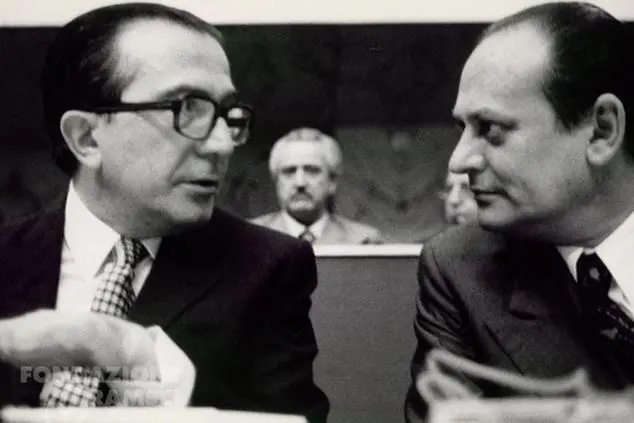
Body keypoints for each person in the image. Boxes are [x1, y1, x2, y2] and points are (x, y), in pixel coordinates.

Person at [0, 3, 329, 421]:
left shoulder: (268, 268)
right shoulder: (7, 257)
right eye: (187, 108)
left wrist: (151, 371)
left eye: (227, 114)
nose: (222, 145)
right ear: (86, 139)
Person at [406, 2, 634, 421]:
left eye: (491, 129)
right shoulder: (463, 271)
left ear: (602, 130)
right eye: (462, 129)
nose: (458, 161)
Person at [250, 127, 382, 244]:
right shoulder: (250, 237)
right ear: (276, 181)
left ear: (332, 181)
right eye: (289, 171)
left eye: (312, 170)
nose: (300, 183)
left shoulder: (362, 240)